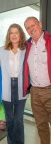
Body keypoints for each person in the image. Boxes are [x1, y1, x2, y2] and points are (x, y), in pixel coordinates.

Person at [0, 24, 28, 144]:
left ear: (20, 35)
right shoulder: (1, 50)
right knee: (9, 119)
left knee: (18, 119)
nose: (14, 35)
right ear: (8, 35)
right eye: (11, 33)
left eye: (16, 32)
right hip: (6, 87)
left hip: (21, 87)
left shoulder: (25, 50)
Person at [24, 16, 51, 144]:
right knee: (41, 124)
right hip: (34, 92)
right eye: (28, 28)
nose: (31, 29)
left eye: (32, 25)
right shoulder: (27, 46)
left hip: (49, 90)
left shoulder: (49, 41)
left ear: (40, 24)